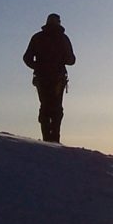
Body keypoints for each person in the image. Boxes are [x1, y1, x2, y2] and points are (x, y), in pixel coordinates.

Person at [22, 13, 77, 142]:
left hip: (43, 78)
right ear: (58, 23)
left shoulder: (38, 37)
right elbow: (72, 60)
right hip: (57, 78)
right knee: (56, 107)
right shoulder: (63, 38)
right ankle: (54, 139)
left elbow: (27, 58)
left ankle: (47, 138)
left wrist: (37, 67)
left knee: (45, 106)